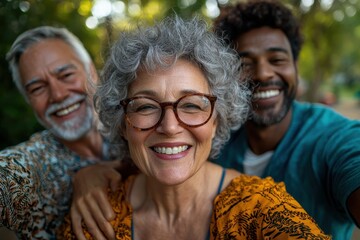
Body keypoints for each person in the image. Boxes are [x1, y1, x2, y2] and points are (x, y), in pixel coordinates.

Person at [59, 16, 330, 239]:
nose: (169, 126)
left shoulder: (261, 209)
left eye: (191, 105)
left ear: (216, 120)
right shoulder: (96, 217)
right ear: (122, 124)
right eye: (145, 106)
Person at [211, 0, 360, 239]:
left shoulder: (335, 138)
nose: (263, 73)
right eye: (244, 64)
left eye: (277, 59)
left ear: (295, 67)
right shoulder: (212, 138)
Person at [0, 26, 121, 239]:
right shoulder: (31, 165)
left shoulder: (133, 121)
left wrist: (98, 171)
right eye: (37, 88)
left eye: (66, 75)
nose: (57, 94)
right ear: (29, 101)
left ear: (91, 71)